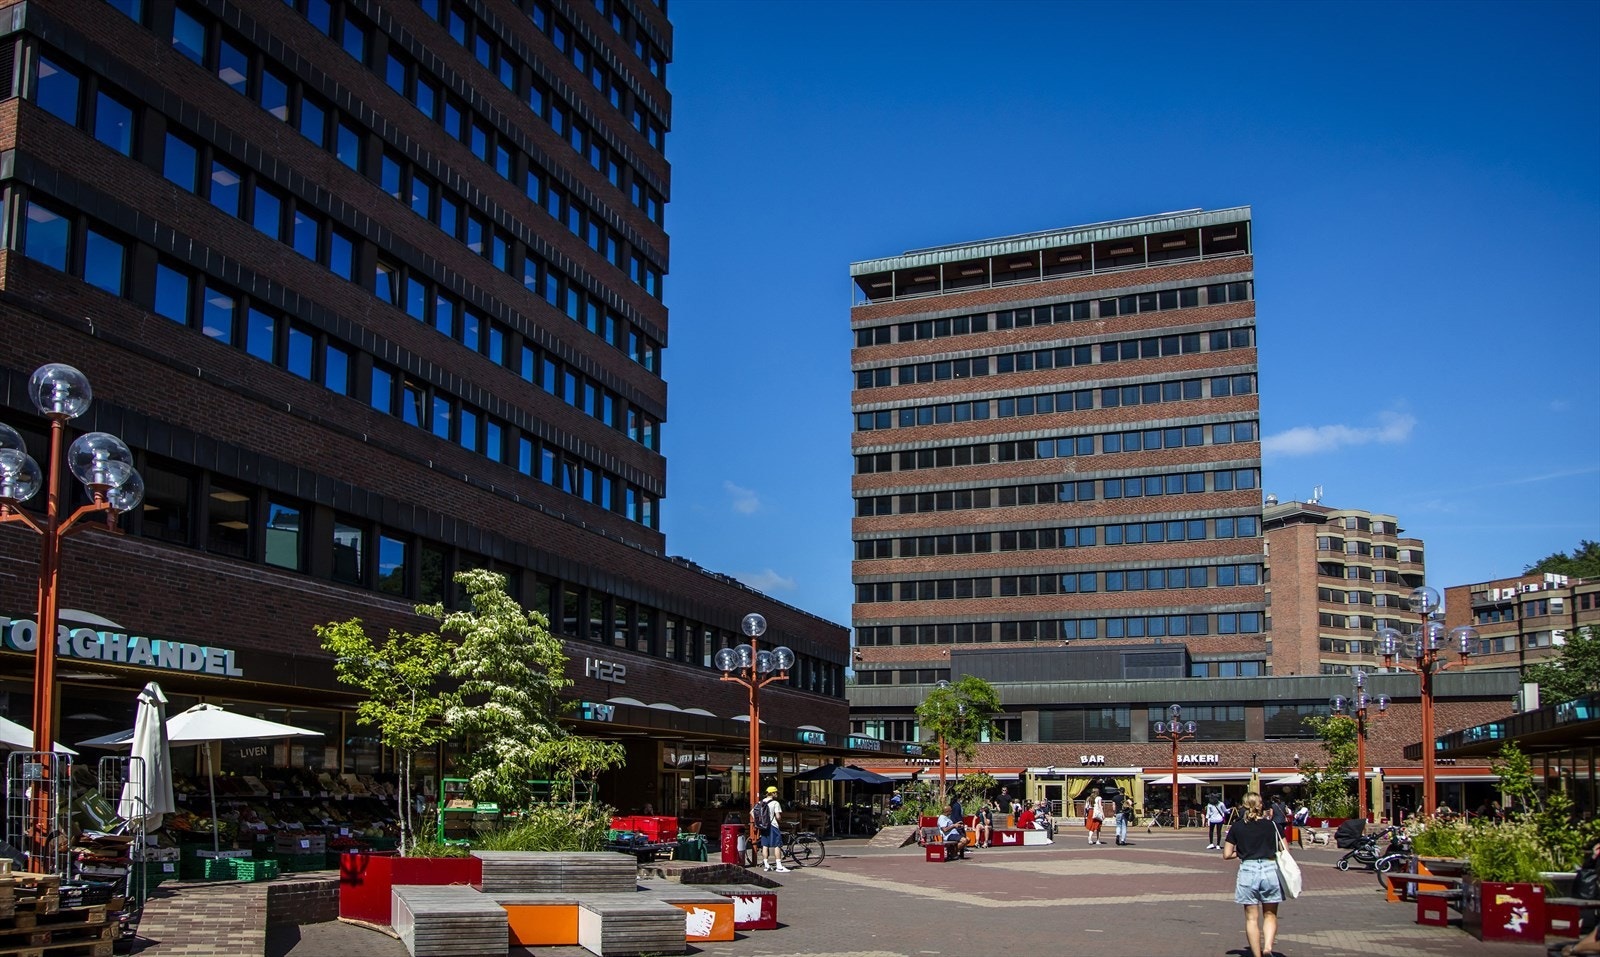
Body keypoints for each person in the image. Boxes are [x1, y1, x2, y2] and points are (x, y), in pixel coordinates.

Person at [1223, 792, 1284, 957]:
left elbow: (1227, 854)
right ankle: (1268, 948)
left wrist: (1242, 852)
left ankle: (1257, 955)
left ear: (1243, 806)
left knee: (1251, 918)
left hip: (1248, 870)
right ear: (1260, 805)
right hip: (1270, 869)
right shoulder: (1272, 826)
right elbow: (1284, 849)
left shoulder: (1237, 827)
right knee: (1270, 914)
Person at [755, 785, 788, 873]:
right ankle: (779, 866)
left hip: (763, 826)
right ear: (772, 793)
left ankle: (766, 865)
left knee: (765, 845)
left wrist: (758, 822)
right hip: (773, 826)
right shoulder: (775, 803)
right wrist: (780, 820)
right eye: (776, 792)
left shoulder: (760, 802)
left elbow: (752, 812)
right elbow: (777, 816)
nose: (777, 794)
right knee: (777, 845)